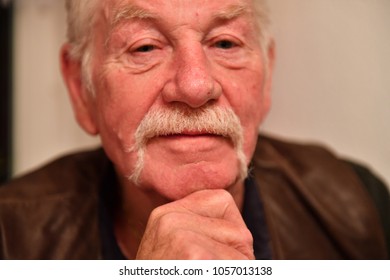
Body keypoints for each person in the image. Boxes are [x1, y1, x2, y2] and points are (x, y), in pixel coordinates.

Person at [0, 0, 389, 260]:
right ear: (80, 89)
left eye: (224, 42)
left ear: (267, 76)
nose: (195, 86)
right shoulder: (9, 237)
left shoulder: (359, 206)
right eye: (144, 48)